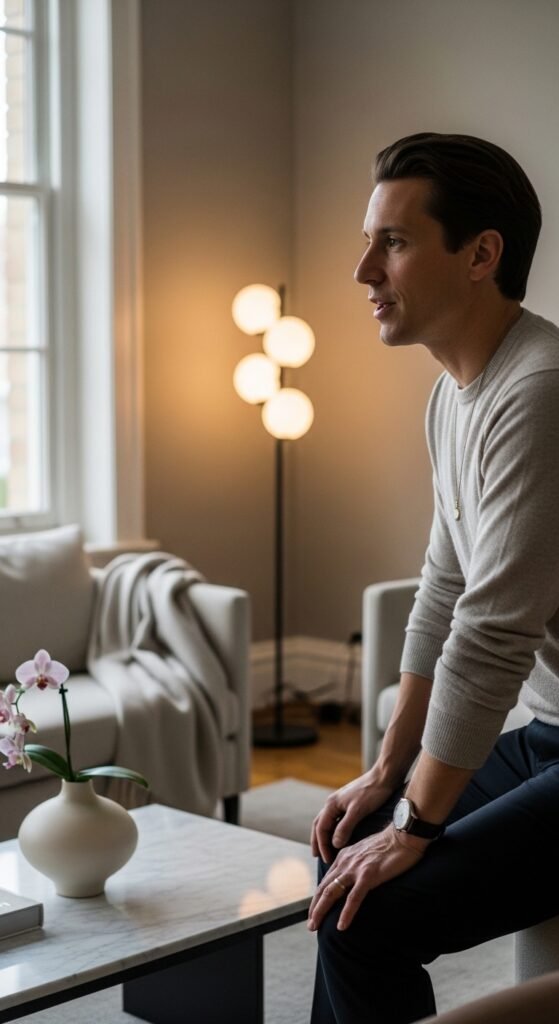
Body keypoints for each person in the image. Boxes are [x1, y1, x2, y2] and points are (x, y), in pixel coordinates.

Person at [308, 132, 559, 1024]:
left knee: (362, 912)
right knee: (343, 846)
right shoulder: (454, 394)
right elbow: (442, 588)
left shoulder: (539, 392)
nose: (360, 269)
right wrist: (385, 775)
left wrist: (416, 827)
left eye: (394, 243)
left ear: (481, 255)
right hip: (549, 734)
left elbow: (493, 633)